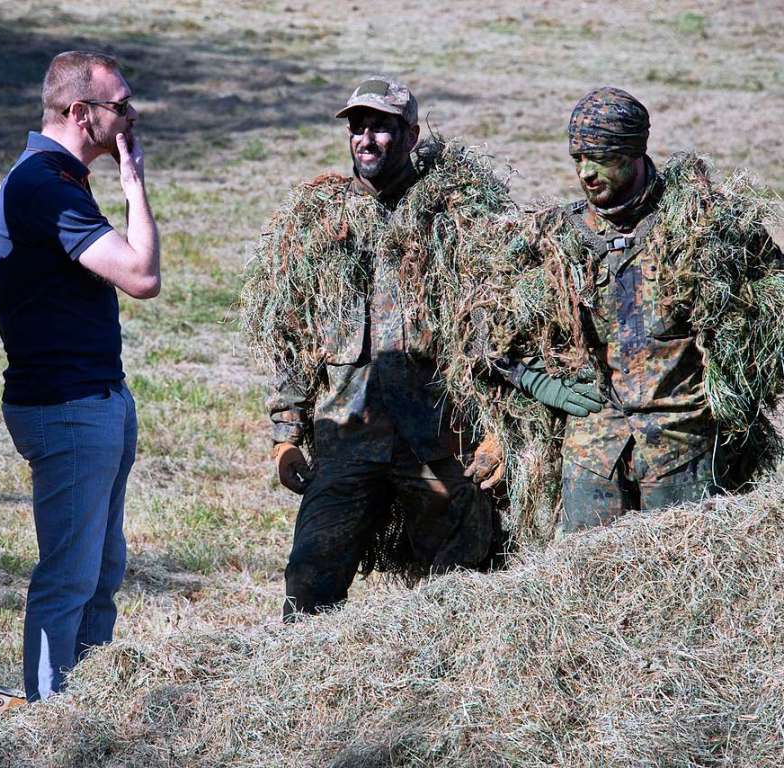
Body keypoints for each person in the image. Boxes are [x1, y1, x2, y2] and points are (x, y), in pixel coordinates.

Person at [242, 76, 506, 620]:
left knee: (465, 587)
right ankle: (309, 694)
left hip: (437, 445)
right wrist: (285, 437)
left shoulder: (453, 222)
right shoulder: (321, 226)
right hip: (346, 445)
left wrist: (498, 432)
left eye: (381, 128)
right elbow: (294, 334)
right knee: (310, 583)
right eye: (358, 127)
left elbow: (492, 332)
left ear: (410, 135)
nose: (366, 138)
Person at [495, 87, 784, 535]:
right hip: (593, 460)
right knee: (583, 589)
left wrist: (736, 390)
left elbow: (772, 307)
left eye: (601, 157)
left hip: (682, 453)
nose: (586, 173)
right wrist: (541, 383)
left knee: (682, 584)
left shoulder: (699, 225)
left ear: (634, 152)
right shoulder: (556, 236)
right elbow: (484, 326)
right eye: (577, 159)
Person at [0, 51, 159, 701]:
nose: (131, 117)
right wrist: (135, 185)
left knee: (101, 572)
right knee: (70, 578)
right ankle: (49, 722)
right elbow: (141, 275)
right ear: (80, 113)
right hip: (68, 408)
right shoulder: (44, 186)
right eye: (121, 106)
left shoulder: (58, 177)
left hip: (94, 399)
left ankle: (87, 709)